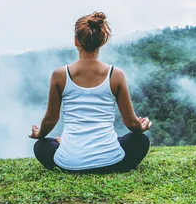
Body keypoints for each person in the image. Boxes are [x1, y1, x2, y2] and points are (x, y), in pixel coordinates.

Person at [29, 11, 152, 173]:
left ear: (75, 41)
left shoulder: (59, 75)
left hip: (69, 164)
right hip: (111, 162)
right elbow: (131, 123)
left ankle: (66, 143)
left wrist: (39, 134)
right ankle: (99, 151)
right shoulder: (116, 75)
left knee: (41, 145)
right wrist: (141, 126)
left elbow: (51, 120)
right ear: (102, 42)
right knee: (140, 140)